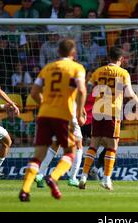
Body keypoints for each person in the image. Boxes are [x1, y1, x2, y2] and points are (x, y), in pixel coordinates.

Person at [19, 39, 87, 202]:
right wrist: (79, 113)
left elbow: (34, 92)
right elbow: (82, 90)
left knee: (38, 156)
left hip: (44, 115)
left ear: (58, 52)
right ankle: (54, 177)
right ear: (73, 53)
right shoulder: (77, 68)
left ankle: (25, 190)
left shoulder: (47, 68)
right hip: (64, 115)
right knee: (70, 152)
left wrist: (45, 104)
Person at [78, 47, 138, 191]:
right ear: (121, 59)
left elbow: (89, 88)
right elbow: (128, 93)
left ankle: (83, 176)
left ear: (108, 58)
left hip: (97, 111)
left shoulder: (98, 71)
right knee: (112, 146)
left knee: (93, 145)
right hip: (112, 112)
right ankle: (106, 179)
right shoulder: (123, 73)